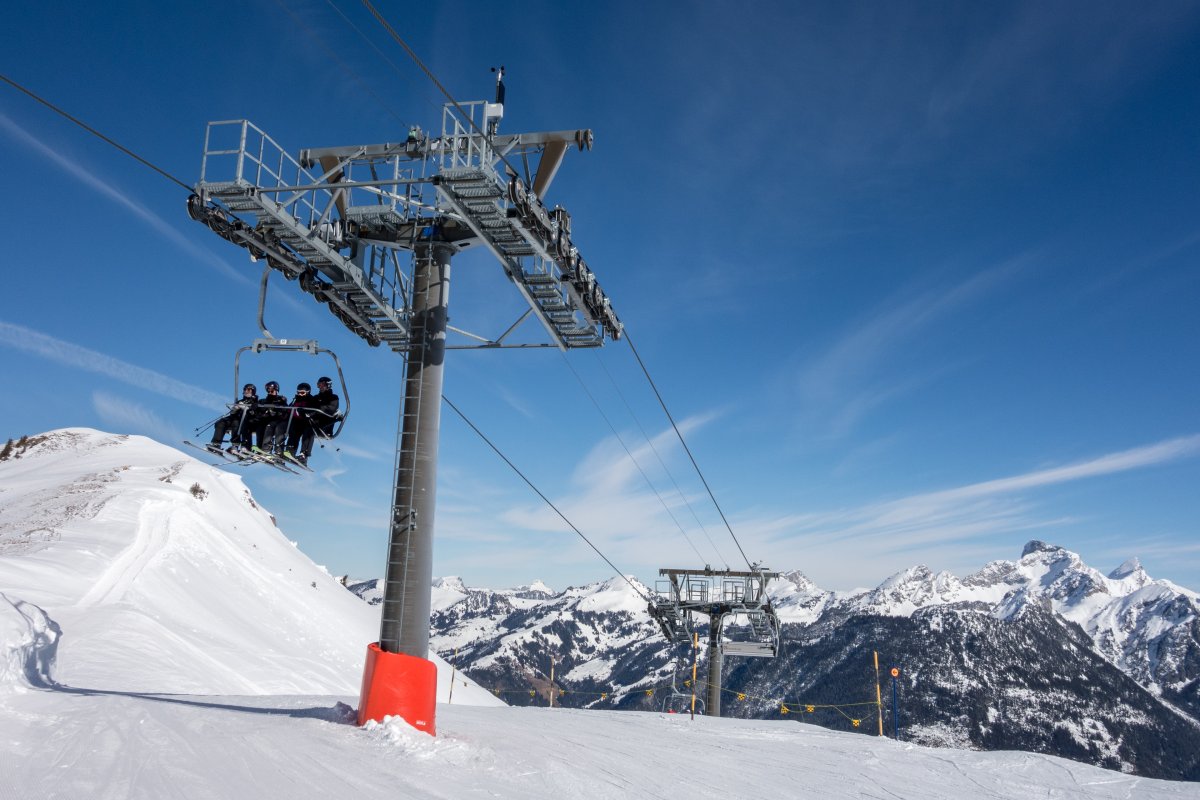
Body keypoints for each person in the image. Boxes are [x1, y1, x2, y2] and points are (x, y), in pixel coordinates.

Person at [208, 384, 258, 454]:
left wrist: (245, 408)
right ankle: (216, 444)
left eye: (249, 390)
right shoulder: (240, 401)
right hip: (234, 418)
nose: (246, 391)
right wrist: (234, 409)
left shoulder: (255, 402)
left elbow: (254, 413)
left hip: (245, 421)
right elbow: (232, 414)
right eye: (245, 389)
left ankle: (235, 445)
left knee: (236, 422)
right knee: (221, 422)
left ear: (253, 392)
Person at [284, 382, 318, 465]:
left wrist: (305, 412)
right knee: (293, 432)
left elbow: (314, 410)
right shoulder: (296, 399)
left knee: (308, 433)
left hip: (307, 421)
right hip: (297, 421)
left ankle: (304, 455)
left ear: (308, 392)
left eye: (302, 393)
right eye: (298, 392)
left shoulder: (311, 400)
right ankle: (290, 451)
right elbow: (289, 409)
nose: (300, 394)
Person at [254, 380, 289, 455]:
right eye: (268, 390)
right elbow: (259, 410)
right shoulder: (263, 401)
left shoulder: (280, 400)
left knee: (272, 427)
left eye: (272, 390)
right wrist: (255, 406)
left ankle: (274, 450)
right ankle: (260, 449)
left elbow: (285, 410)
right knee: (260, 427)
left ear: (276, 390)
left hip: (278, 420)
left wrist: (278, 410)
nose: (270, 392)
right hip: (266, 420)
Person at [311, 376, 341, 443]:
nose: (320, 387)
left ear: (328, 385)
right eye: (319, 385)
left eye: (323, 385)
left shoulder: (333, 397)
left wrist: (318, 408)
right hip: (314, 421)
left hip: (325, 423)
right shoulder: (315, 398)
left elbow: (331, 409)